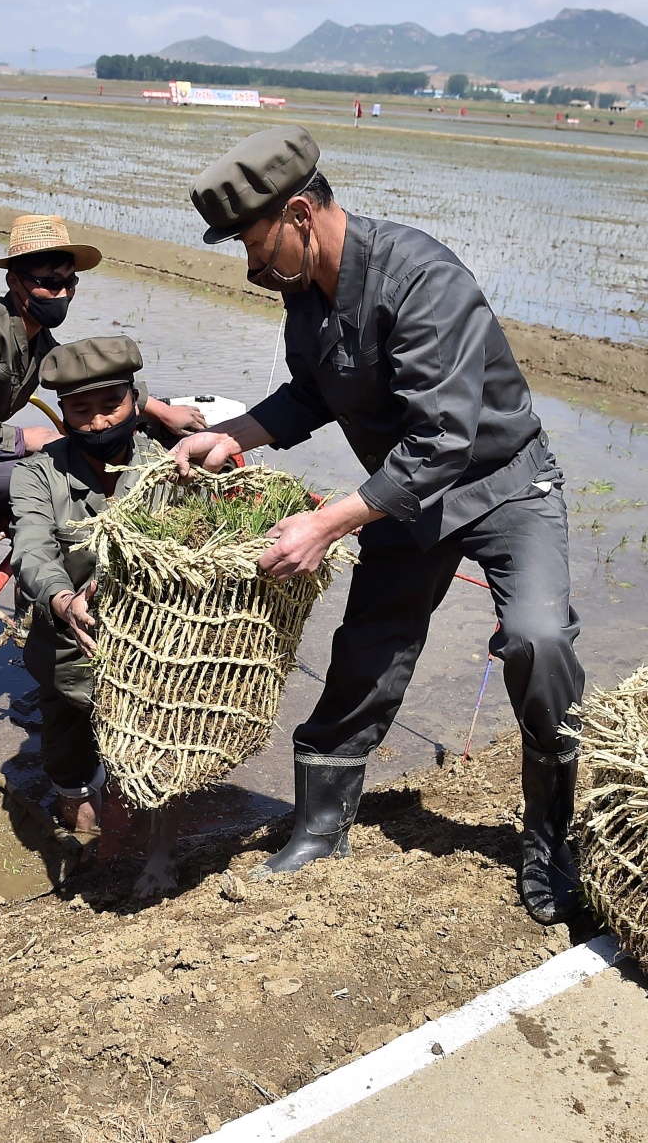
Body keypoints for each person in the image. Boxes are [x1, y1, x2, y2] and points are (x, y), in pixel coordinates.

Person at [170, 127, 585, 924]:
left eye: (255, 247)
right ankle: (322, 827)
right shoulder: (307, 297)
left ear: (299, 213)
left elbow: (444, 438)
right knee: (365, 654)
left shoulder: (420, 278)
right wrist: (234, 435)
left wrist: (327, 523)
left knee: (539, 639)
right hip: (404, 497)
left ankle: (550, 837)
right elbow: (312, 392)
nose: (252, 269)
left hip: (501, 484)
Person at [0, 214, 205, 544]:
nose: (62, 295)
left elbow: (81, 374)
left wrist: (162, 411)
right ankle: (41, 581)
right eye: (50, 283)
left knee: (50, 460)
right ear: (14, 281)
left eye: (69, 284)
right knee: (44, 479)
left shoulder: (36, 338)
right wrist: (21, 438)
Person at [9, 336, 181, 898]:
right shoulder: (38, 475)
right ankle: (81, 815)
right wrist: (62, 599)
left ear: (137, 399)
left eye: (111, 404)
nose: (98, 419)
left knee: (157, 748)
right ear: (62, 415)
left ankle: (159, 850)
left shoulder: (165, 471)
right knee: (69, 746)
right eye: (80, 410)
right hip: (68, 641)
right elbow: (32, 550)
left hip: (149, 642)